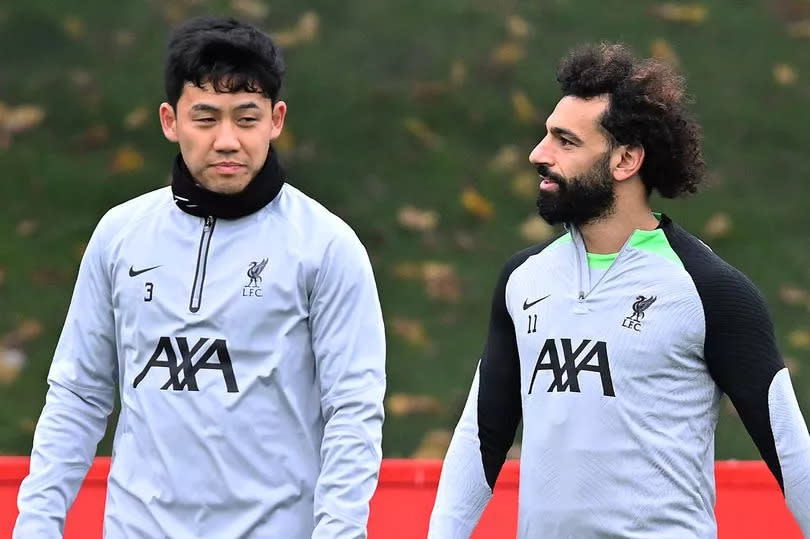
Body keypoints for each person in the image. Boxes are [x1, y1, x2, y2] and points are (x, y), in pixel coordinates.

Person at [14, 16, 386, 538]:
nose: (227, 140)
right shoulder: (120, 235)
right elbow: (78, 393)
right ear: (170, 121)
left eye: (247, 119)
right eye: (206, 118)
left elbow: (353, 413)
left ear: (277, 120)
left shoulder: (327, 247)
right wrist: (36, 525)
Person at [428, 42, 810, 538]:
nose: (537, 155)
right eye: (546, 136)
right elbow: (479, 439)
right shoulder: (523, 280)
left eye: (565, 142)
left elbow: (791, 455)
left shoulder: (711, 291)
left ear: (625, 159)